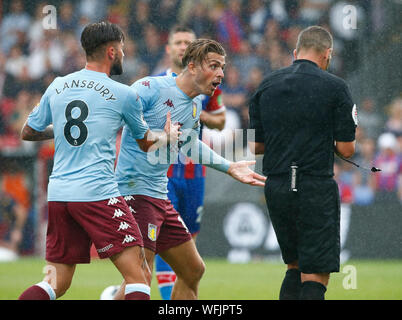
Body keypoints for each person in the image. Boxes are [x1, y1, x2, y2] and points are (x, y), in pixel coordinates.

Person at [18, 21, 181, 300]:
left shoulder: (58, 85)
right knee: (139, 274)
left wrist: (61, 130)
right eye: (122, 48)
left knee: (56, 283)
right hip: (97, 193)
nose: (124, 54)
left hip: (59, 195)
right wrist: (166, 137)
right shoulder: (124, 94)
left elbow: (28, 131)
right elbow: (145, 143)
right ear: (111, 51)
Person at [112, 38, 266, 300]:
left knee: (193, 270)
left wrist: (229, 167)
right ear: (192, 66)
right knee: (141, 275)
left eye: (223, 67)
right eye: (214, 66)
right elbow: (114, 120)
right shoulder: (149, 88)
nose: (221, 74)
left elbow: (190, 145)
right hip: (134, 192)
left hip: (159, 195)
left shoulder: (195, 105)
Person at [249, 26, 357, 300]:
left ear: (296, 53)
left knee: (294, 266)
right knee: (315, 274)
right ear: (327, 54)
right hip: (313, 186)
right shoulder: (335, 87)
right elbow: (346, 149)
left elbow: (257, 145)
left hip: (277, 186)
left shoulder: (266, 84)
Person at [154, 25, 226, 300]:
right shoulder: (157, 84)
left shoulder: (209, 86)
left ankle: (179, 296)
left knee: (189, 240)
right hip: (166, 171)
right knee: (165, 237)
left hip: (195, 171)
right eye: (178, 42)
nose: (183, 47)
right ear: (169, 49)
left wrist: (198, 116)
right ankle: (166, 299)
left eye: (188, 42)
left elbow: (221, 122)